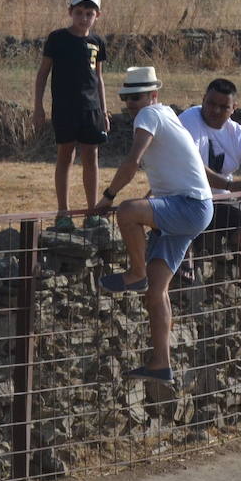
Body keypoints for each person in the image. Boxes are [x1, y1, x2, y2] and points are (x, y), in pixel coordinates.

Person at [91, 67, 214, 390]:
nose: (132, 103)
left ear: (153, 95)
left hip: (188, 207)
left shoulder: (149, 116)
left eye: (137, 96)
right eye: (126, 97)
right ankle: (161, 363)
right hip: (191, 206)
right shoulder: (166, 115)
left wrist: (108, 197)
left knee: (128, 212)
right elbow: (173, 171)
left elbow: (132, 162)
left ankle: (135, 272)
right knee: (157, 291)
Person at [178, 79, 241, 331]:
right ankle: (183, 256)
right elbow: (191, 168)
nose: (214, 110)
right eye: (210, 103)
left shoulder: (238, 134)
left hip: (219, 205)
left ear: (234, 107)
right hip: (184, 199)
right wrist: (230, 183)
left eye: (222, 107)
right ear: (202, 99)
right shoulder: (186, 122)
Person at [32, 0, 110, 230]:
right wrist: (38, 107)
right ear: (70, 11)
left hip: (91, 109)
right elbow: (43, 74)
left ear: (97, 15)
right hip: (65, 108)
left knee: (91, 156)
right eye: (79, 12)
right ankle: (63, 212)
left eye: (89, 13)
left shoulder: (97, 42)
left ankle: (92, 211)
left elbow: (99, 78)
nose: (84, 18)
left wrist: (104, 111)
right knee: (65, 156)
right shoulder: (57, 39)